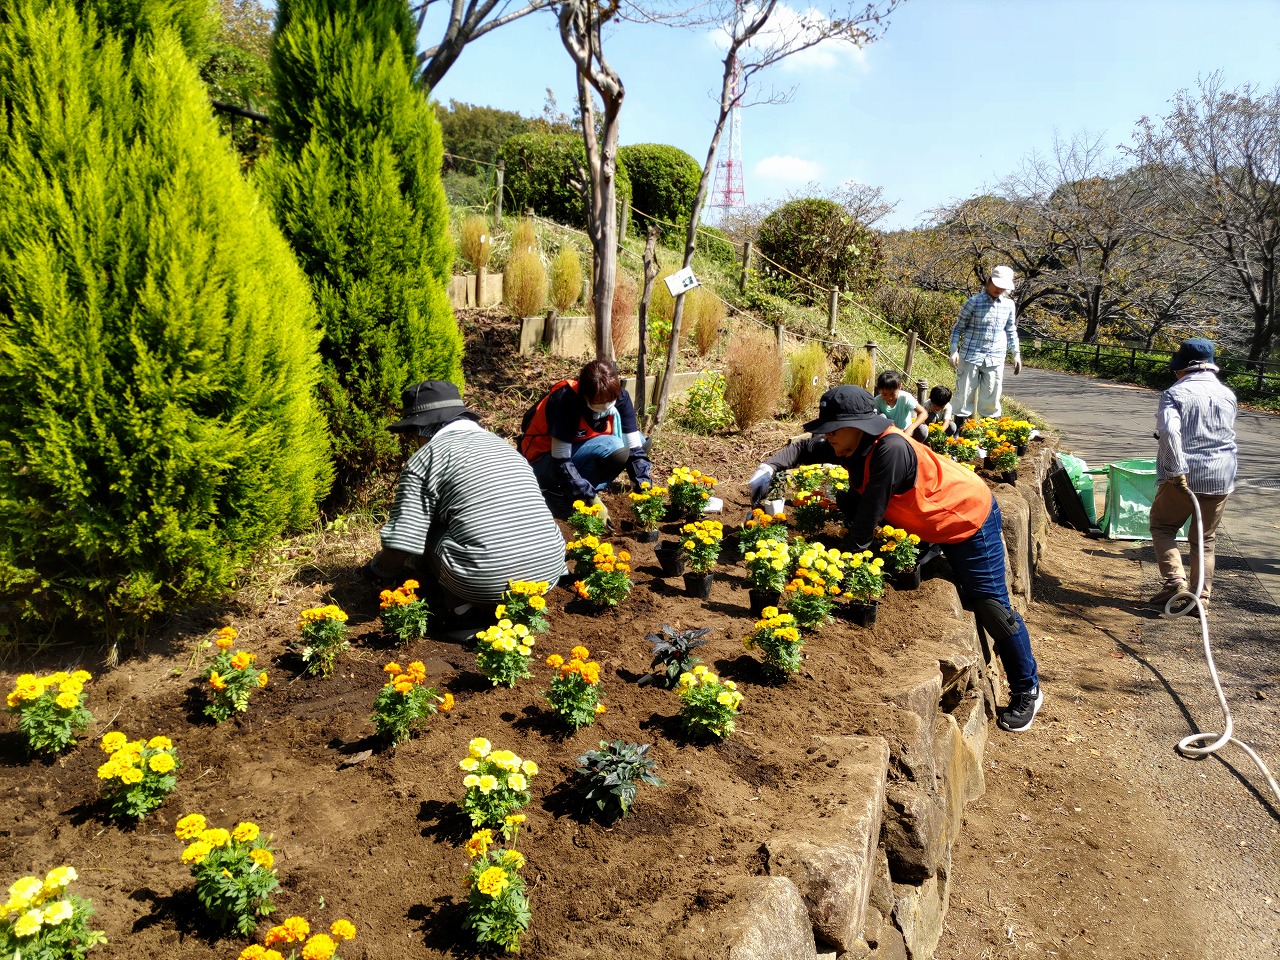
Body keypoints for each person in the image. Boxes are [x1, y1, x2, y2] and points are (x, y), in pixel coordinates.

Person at [747, 385, 1043, 732]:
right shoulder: (849, 442)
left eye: (831, 430)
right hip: (925, 519)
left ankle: (1028, 688)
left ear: (856, 426)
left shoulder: (890, 449)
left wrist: (834, 576)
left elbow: (866, 524)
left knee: (991, 607)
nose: (825, 438)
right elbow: (801, 448)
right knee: (847, 498)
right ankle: (927, 551)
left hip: (966, 517)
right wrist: (770, 467)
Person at [365, 381, 567, 628]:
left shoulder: (428, 457)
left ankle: (462, 612)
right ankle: (509, 608)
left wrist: (378, 572)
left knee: (427, 529)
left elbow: (404, 538)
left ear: (421, 429)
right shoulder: (504, 447)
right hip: (548, 571)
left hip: (487, 580)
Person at [1148, 338, 1237, 611]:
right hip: (1222, 473)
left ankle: (1175, 580)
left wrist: (1176, 470)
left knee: (1163, 525)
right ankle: (1202, 598)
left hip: (1185, 472)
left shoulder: (1174, 393)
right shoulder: (1228, 394)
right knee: (1205, 538)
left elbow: (1170, 432)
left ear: (1183, 368)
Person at [518, 359, 654, 523]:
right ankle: (561, 495)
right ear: (585, 396)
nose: (605, 408)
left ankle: (581, 488)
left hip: (577, 451)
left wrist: (643, 486)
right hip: (541, 463)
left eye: (609, 402)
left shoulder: (619, 396)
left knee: (638, 440)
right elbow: (561, 460)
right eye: (598, 404)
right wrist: (592, 499)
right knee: (615, 447)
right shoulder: (567, 400)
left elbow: (635, 449)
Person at [950, 265, 1022, 420]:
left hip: (996, 356)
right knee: (964, 393)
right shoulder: (973, 302)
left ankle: (988, 432)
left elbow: (1010, 330)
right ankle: (960, 430)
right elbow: (958, 328)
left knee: (992, 395)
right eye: (996, 284)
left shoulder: (1009, 305)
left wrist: (1016, 354)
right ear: (989, 281)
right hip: (970, 354)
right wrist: (953, 350)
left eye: (1003, 286)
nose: (999, 289)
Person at [873, 370, 929, 442]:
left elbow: (924, 413)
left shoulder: (905, 398)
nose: (889, 397)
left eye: (892, 394)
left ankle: (914, 448)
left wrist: (911, 428)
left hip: (907, 434)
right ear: (879, 390)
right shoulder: (877, 401)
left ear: (900, 387)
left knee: (923, 430)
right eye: (884, 394)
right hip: (888, 435)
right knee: (881, 417)